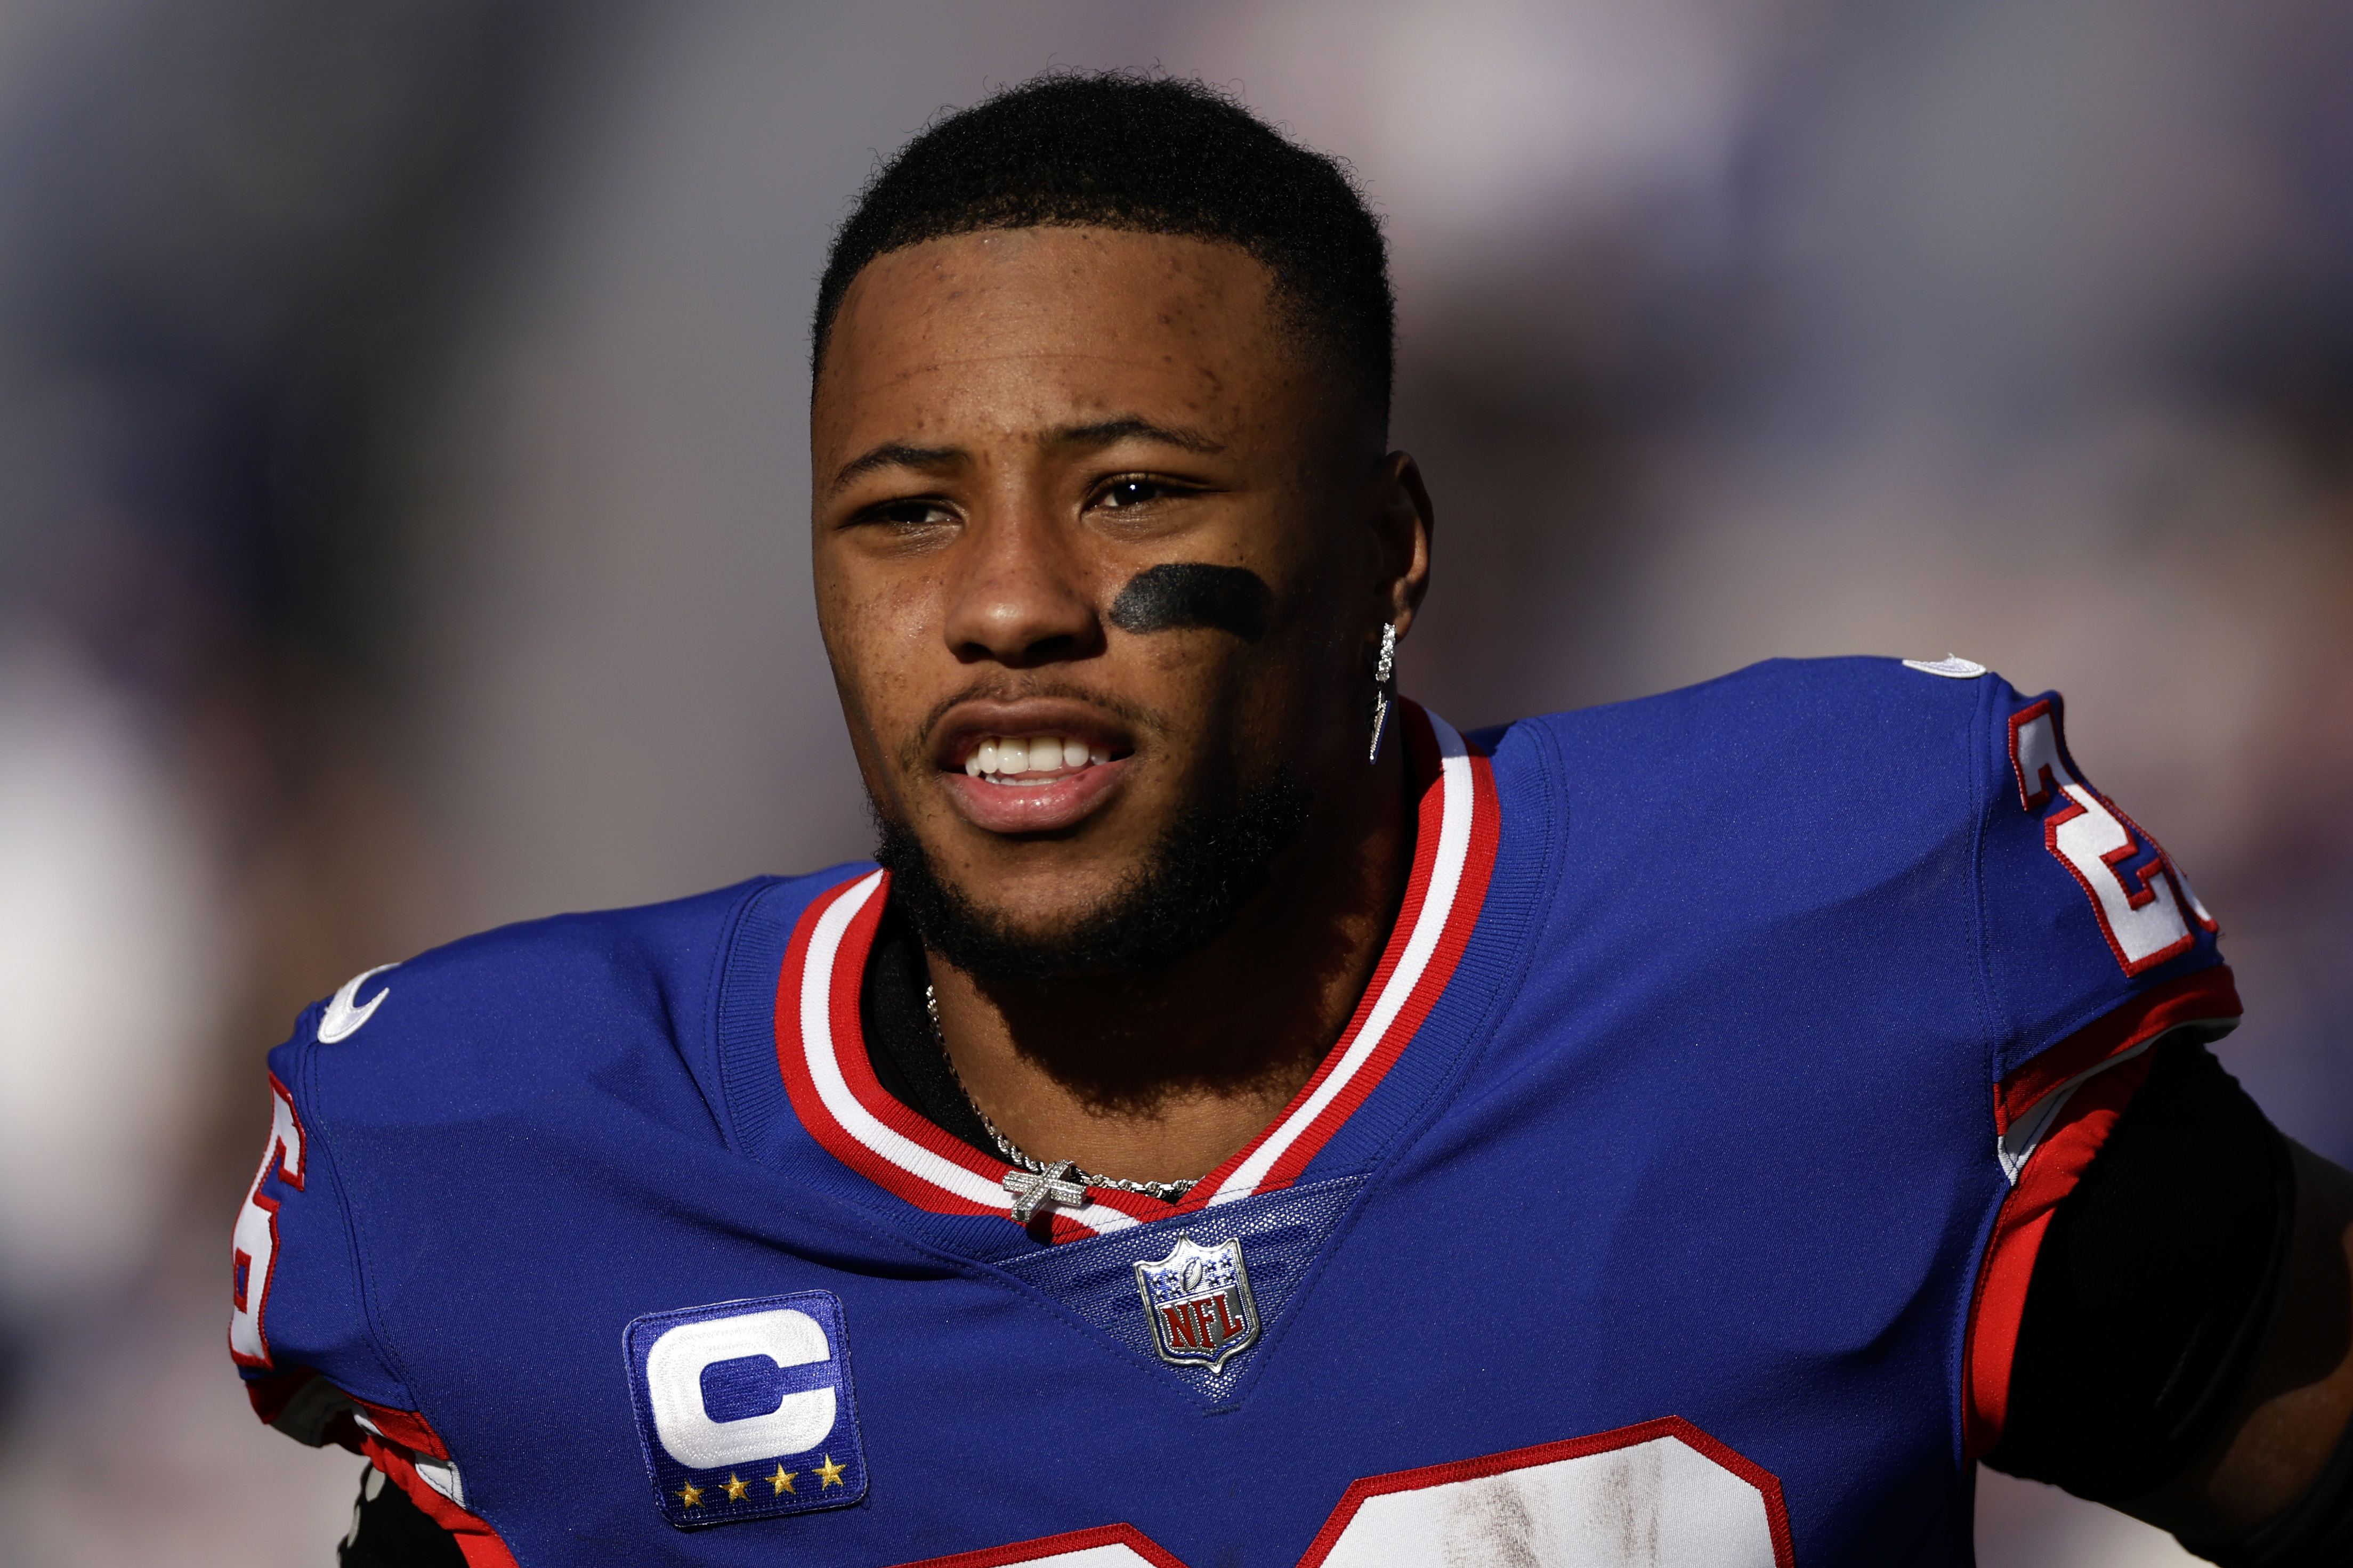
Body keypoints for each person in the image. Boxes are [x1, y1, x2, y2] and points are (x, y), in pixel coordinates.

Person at [229, 72, 2353, 1568]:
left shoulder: (1797, 945)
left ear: (1387, 549)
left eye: (1134, 489)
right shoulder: (536, 1165)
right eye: (904, 513)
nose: (1006, 602)